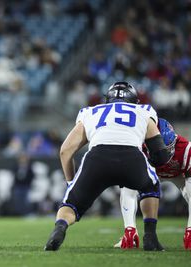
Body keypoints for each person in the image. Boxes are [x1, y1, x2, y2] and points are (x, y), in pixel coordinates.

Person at [44, 81, 170, 252]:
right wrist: (149, 164)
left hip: (97, 157)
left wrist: (70, 182)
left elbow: (65, 151)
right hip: (132, 158)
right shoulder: (144, 111)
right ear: (134, 100)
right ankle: (150, 237)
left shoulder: (90, 112)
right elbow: (160, 154)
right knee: (151, 186)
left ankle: (60, 228)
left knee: (71, 204)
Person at [114, 118, 191, 250]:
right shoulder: (138, 147)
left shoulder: (185, 149)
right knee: (128, 185)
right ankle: (130, 232)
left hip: (177, 174)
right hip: (151, 172)